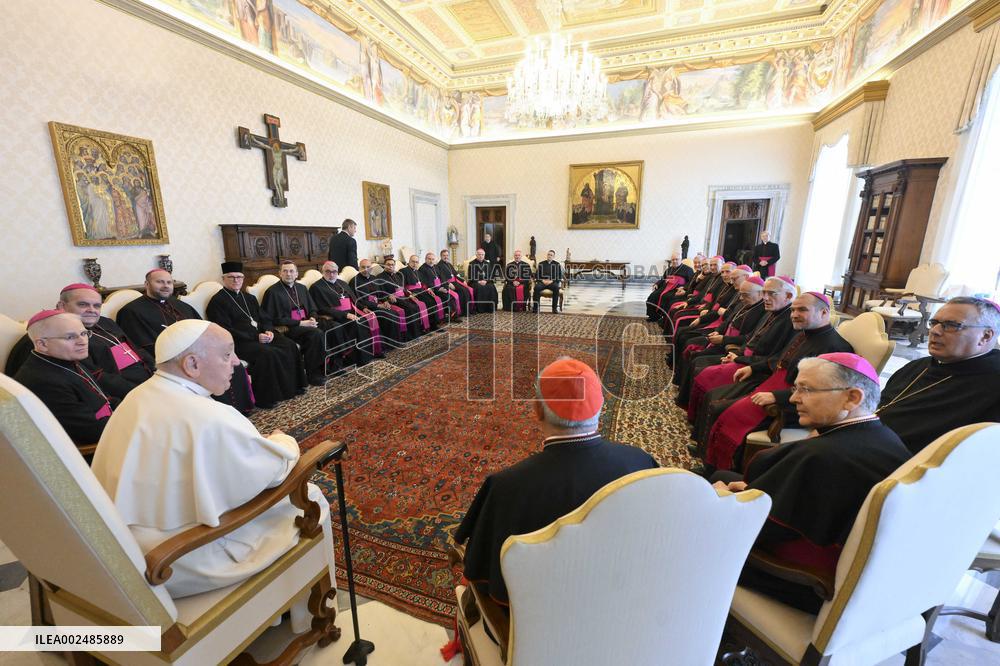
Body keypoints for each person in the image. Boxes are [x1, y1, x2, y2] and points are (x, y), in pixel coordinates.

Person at [92, 320, 334, 598]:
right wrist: (283, 440)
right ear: (192, 364)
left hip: (126, 549)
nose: (235, 363)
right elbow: (274, 470)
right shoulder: (209, 417)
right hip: (179, 559)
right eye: (226, 355)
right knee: (311, 496)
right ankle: (306, 610)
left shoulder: (137, 397)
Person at [713, 354, 911, 613]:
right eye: (796, 388)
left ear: (852, 398)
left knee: (703, 507)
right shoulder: (884, 435)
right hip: (860, 571)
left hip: (807, 582)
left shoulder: (823, 456)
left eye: (805, 389)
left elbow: (758, 530)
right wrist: (751, 491)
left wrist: (723, 501)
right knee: (726, 476)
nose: (794, 398)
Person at [455, 358, 658, 607]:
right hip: (623, 605)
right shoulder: (640, 462)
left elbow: (483, 573)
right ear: (600, 407)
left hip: (536, 627)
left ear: (537, 411)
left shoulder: (507, 487)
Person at [700, 291, 854, 472]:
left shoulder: (835, 347)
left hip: (793, 406)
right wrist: (752, 368)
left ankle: (725, 472)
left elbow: (821, 391)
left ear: (824, 313)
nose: (794, 315)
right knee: (717, 402)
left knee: (723, 411)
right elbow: (778, 360)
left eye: (802, 310)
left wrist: (776, 397)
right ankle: (712, 465)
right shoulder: (804, 334)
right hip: (774, 384)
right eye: (793, 310)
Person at [116, 269, 255, 412]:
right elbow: (142, 345)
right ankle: (214, 413)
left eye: (169, 282)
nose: (165, 286)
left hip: (199, 353)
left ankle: (237, 411)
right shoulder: (132, 311)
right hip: (172, 361)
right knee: (212, 369)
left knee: (232, 366)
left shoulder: (180, 305)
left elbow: (204, 329)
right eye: (160, 282)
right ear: (146, 284)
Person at [878, 296, 1000, 453]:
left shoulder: (993, 385)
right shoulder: (917, 366)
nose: (934, 331)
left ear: (986, 336)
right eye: (934, 323)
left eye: (951, 325)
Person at [206, 261, 306, 408]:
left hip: (261, 335)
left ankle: (292, 387)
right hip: (240, 342)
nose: (236, 280)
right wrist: (255, 337)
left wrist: (269, 331)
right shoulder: (217, 301)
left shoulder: (249, 298)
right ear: (223, 279)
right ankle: (266, 398)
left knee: (289, 345)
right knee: (267, 353)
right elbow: (225, 329)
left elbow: (264, 318)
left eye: (239, 277)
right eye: (231, 277)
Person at [14, 311, 119, 446]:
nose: (83, 341)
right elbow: (90, 432)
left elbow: (104, 398)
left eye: (84, 333)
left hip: (109, 427)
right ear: (42, 344)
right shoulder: (44, 382)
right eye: (70, 337)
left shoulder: (66, 359)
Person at [260, 261, 329, 385]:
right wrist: (301, 323)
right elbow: (274, 318)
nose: (288, 274)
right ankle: (313, 374)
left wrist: (312, 318)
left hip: (307, 323)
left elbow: (312, 308)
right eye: (285, 271)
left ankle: (331, 365)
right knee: (316, 334)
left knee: (331, 326)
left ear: (297, 274)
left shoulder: (301, 288)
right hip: (288, 327)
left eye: (291, 271)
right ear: (279, 273)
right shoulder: (273, 292)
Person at [309, 261, 379, 366]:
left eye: (334, 271)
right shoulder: (317, 287)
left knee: (366, 319)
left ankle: (367, 355)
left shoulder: (342, 283)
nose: (331, 274)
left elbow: (353, 299)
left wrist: (363, 308)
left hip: (351, 312)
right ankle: (352, 358)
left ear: (337, 272)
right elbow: (322, 308)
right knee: (356, 323)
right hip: (335, 317)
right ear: (322, 271)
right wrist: (345, 315)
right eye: (328, 271)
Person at [347, 259, 396, 350]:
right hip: (367, 308)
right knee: (387, 316)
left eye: (368, 267)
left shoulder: (374, 278)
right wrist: (377, 306)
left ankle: (393, 342)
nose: (366, 269)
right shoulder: (354, 281)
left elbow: (381, 293)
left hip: (378, 304)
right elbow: (357, 299)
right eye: (363, 267)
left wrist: (385, 300)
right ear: (359, 268)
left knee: (394, 313)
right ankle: (385, 346)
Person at [380, 257, 432, 335]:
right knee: (411, 308)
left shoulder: (397, 275)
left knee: (417, 305)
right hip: (394, 299)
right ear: (384, 266)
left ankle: (419, 330)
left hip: (404, 297)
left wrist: (410, 295)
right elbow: (380, 291)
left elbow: (403, 288)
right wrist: (388, 296)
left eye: (392, 265)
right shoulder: (380, 277)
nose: (390, 266)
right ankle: (412, 334)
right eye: (388, 265)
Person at [401, 254, 446, 328]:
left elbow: (423, 284)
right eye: (413, 262)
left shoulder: (418, 272)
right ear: (409, 262)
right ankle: (428, 326)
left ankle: (434, 323)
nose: (415, 264)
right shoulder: (403, 271)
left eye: (416, 262)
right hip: (413, 292)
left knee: (432, 300)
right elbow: (401, 285)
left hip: (421, 291)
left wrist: (428, 289)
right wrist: (408, 293)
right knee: (428, 302)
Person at [646, 253, 694, 322]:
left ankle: (665, 319)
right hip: (664, 288)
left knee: (666, 298)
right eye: (673, 260)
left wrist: (684, 288)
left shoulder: (688, 270)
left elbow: (691, 282)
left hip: (676, 289)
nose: (674, 261)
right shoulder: (669, 270)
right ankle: (654, 316)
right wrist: (657, 284)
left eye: (676, 259)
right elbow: (663, 279)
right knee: (652, 296)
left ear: (681, 260)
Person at [418, 252, 460, 322]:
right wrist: (438, 288)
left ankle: (452, 315)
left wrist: (445, 287)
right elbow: (425, 282)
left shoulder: (436, 267)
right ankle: (449, 316)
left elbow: (442, 278)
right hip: (433, 290)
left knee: (450, 296)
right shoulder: (422, 269)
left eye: (432, 259)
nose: (431, 261)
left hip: (441, 288)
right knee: (446, 297)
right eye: (429, 259)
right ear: (425, 259)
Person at [437, 248, 475, 316]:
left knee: (467, 290)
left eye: (447, 255)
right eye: (444, 255)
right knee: (463, 291)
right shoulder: (438, 266)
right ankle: (463, 312)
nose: (446, 257)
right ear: (441, 256)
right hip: (449, 284)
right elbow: (441, 278)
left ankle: (469, 310)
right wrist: (448, 284)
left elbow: (455, 274)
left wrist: (462, 280)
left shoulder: (449, 264)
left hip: (455, 282)